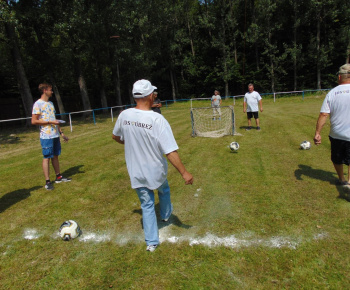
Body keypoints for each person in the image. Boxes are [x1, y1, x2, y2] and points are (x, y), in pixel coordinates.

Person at [112, 79, 193, 252]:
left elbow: (116, 137)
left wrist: (132, 144)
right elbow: (170, 151)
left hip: (135, 171)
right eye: (153, 93)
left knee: (147, 204)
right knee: (163, 189)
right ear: (150, 96)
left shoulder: (124, 115)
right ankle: (165, 215)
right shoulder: (157, 120)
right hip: (156, 171)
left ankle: (151, 243)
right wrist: (184, 173)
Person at [314, 64, 350, 190]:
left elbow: (324, 114)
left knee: (337, 157)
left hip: (337, 134)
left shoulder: (332, 93)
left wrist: (318, 133)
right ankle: (349, 182)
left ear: (339, 77)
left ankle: (342, 179)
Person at [31, 83, 71, 190]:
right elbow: (34, 121)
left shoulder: (51, 104)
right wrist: (49, 122)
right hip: (46, 136)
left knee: (55, 156)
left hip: (55, 135)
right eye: (50, 90)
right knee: (47, 158)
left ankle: (58, 177)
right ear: (44, 90)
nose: (51, 92)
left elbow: (54, 120)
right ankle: (47, 181)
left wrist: (61, 133)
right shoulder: (38, 104)